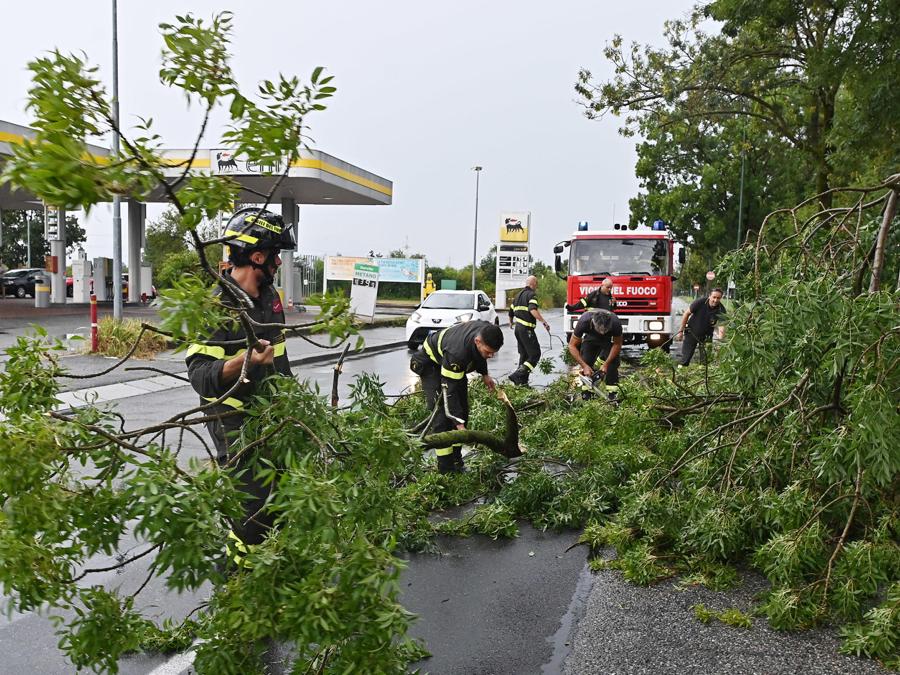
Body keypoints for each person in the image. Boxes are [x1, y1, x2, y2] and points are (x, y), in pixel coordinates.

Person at [186, 206, 294, 551]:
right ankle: (237, 580)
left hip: (268, 413)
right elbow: (200, 376)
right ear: (258, 256)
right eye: (275, 256)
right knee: (251, 506)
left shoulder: (270, 298)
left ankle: (268, 566)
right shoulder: (217, 306)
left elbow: (280, 357)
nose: (278, 263)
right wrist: (243, 361)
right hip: (231, 417)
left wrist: (296, 404)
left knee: (285, 489)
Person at [409, 320, 504, 473]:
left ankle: (457, 460)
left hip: (449, 361)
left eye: (494, 352)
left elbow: (479, 355)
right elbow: (450, 391)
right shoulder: (457, 354)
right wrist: (459, 424)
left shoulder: (486, 330)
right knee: (442, 417)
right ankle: (446, 470)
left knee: (462, 410)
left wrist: (485, 374)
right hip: (430, 364)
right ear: (477, 341)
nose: (491, 356)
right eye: (488, 352)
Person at [568, 309, 623, 402]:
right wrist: (584, 366)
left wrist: (606, 364)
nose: (602, 332)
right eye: (600, 330)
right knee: (587, 360)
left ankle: (613, 395)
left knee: (612, 365)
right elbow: (572, 345)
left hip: (608, 341)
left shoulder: (615, 323)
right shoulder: (584, 322)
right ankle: (587, 394)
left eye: (605, 330)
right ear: (593, 323)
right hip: (590, 339)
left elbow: (617, 344)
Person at [508, 275, 550, 386]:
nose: (537, 286)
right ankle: (518, 374)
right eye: (537, 284)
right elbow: (532, 309)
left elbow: (511, 311)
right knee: (535, 354)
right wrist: (543, 321)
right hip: (526, 329)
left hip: (518, 329)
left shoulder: (517, 296)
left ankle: (521, 382)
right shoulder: (531, 295)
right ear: (533, 284)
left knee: (524, 355)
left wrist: (510, 322)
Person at [676, 288, 726, 366]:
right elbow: (686, 314)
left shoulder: (721, 309)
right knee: (685, 359)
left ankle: (703, 376)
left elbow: (722, 326)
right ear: (710, 296)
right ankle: (680, 373)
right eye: (714, 297)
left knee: (705, 361)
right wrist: (680, 331)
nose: (715, 300)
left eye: (718, 298)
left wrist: (720, 342)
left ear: (721, 298)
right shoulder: (700, 302)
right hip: (692, 333)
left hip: (707, 336)